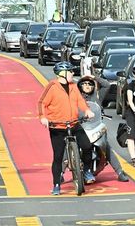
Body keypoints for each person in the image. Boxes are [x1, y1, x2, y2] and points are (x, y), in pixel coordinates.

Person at [37, 61, 95, 196]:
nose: (73, 74)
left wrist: (86, 110)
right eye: (70, 71)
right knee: (57, 157)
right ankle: (57, 184)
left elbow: (80, 100)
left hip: (74, 123)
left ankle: (87, 171)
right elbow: (41, 102)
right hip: (57, 126)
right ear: (63, 74)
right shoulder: (52, 87)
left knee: (87, 146)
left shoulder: (74, 86)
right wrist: (43, 117)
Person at [77, 75, 129, 182]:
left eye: (89, 84)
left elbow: (107, 85)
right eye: (84, 84)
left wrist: (94, 77)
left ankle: (119, 172)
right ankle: (60, 174)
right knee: (67, 141)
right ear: (80, 86)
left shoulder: (97, 97)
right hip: (81, 127)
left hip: (95, 126)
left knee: (106, 146)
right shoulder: (76, 97)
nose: (87, 86)